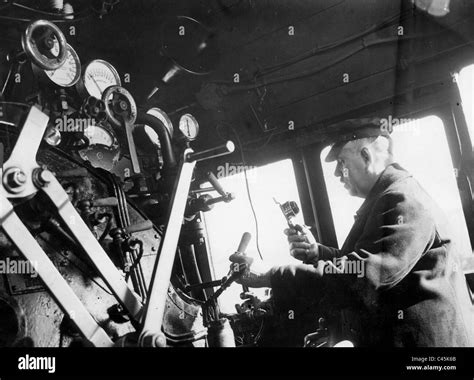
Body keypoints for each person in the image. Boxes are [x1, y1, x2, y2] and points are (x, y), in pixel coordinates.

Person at [237, 119, 474, 347]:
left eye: (341, 162)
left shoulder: (401, 200)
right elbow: (363, 264)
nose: (337, 174)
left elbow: (360, 279)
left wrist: (269, 276)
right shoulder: (389, 197)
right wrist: (317, 252)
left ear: (366, 156)